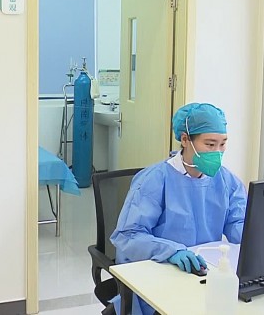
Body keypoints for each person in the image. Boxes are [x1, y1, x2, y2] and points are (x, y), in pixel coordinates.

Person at [106, 103, 247, 315]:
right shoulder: (155, 180)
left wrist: (261, 239)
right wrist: (172, 251)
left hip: (202, 274)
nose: (217, 152)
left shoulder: (226, 181)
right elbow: (127, 235)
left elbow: (238, 223)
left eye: (223, 144)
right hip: (160, 272)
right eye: (210, 144)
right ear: (185, 139)